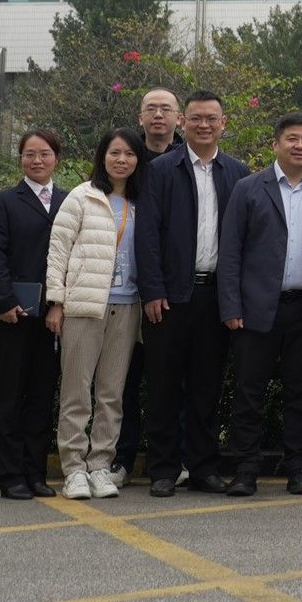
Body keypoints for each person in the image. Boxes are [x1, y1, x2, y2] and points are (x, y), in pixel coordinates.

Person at [135, 90, 250, 498]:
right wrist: (152, 289)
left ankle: (203, 467)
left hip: (216, 296)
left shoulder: (238, 173)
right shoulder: (161, 170)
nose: (204, 125)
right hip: (169, 297)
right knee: (163, 386)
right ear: (183, 122)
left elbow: (245, 239)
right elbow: (147, 235)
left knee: (206, 387)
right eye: (196, 118)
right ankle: (164, 469)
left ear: (223, 124)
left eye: (211, 118)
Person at [220, 113, 302, 497]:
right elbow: (230, 251)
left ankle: (299, 468)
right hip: (255, 310)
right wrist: (231, 306)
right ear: (276, 144)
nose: (300, 146)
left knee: (301, 394)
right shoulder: (249, 189)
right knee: (249, 393)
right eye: (292, 139)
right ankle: (245, 469)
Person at [45, 127, 146, 500]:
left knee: (112, 394)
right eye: (115, 152)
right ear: (102, 156)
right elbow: (58, 250)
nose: (122, 160)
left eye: (130, 154)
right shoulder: (83, 196)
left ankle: (101, 464)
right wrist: (56, 302)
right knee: (76, 392)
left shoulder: (142, 201)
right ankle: (73, 468)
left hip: (128, 306)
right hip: (85, 307)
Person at [0, 129, 66, 499]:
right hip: (14, 314)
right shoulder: (3, 201)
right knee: (11, 395)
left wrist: (61, 303)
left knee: (42, 395)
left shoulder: (69, 200)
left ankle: (36, 473)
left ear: (56, 158)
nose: (37, 160)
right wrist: (3, 302)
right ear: (20, 159)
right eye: (29, 154)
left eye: (44, 153)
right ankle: (10, 475)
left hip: (54, 314)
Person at [112, 87, 184, 488]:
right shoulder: (127, 158)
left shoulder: (188, 161)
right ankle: (120, 457)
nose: (158, 115)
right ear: (140, 117)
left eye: (166, 109)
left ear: (179, 118)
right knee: (122, 380)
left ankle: (176, 457)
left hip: (171, 294)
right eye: (151, 109)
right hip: (123, 290)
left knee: (171, 381)